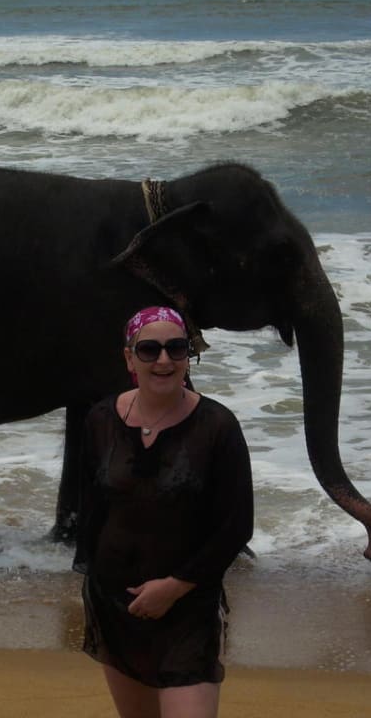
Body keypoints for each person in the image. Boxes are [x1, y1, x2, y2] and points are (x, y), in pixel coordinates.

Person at [74, 306, 254, 718]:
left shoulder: (218, 426)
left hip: (189, 609)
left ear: (189, 356)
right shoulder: (100, 419)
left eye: (176, 348)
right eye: (149, 350)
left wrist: (174, 587)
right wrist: (98, 584)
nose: (163, 360)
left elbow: (236, 525)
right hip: (116, 606)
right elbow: (90, 511)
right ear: (129, 358)